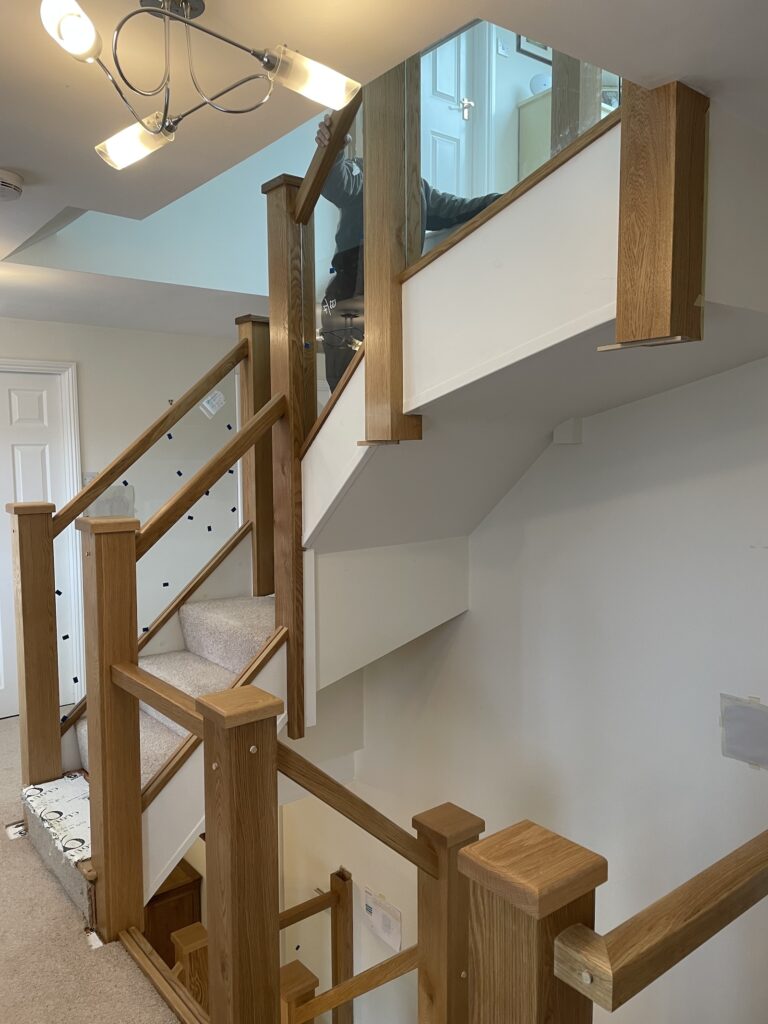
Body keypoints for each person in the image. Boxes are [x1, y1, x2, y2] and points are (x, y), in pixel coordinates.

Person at [316, 114, 501, 390]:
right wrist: (334, 150)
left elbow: (459, 209)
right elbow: (337, 184)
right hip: (348, 281)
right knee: (343, 374)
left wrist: (513, 196)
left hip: (387, 283)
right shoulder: (362, 171)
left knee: (383, 365)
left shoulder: (418, 188)